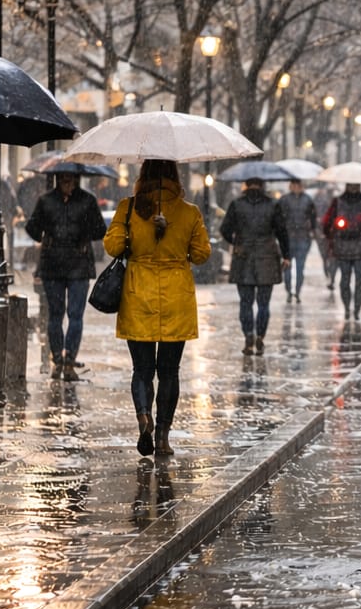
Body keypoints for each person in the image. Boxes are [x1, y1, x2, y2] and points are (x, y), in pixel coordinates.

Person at [104, 160, 211, 457]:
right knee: (169, 372)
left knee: (141, 370)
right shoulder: (189, 212)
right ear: (175, 176)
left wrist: (134, 236)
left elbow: (112, 247)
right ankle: (163, 436)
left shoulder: (129, 208)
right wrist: (178, 245)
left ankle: (143, 417)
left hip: (139, 296)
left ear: (143, 175)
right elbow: (202, 254)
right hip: (177, 298)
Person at [25, 170, 108, 380]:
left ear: (76, 178)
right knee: (56, 314)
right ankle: (58, 360)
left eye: (69, 178)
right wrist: (48, 235)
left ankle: (68, 360)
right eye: (63, 178)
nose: (66, 182)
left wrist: (81, 234)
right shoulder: (47, 201)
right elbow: (32, 228)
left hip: (76, 264)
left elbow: (100, 230)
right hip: (55, 264)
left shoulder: (86, 201)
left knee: (74, 315)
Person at [220, 176, 291, 355]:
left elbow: (225, 229)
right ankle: (260, 335)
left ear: (246, 185)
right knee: (263, 303)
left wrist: (236, 240)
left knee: (245, 302)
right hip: (267, 257)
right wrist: (286, 255)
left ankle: (248, 334)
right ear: (263, 185)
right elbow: (282, 231)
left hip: (243, 257)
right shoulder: (273, 205)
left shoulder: (236, 204)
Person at [322, 182, 361, 320]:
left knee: (358, 282)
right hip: (344, 248)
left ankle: (356, 310)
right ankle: (348, 308)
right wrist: (332, 234)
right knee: (345, 281)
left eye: (356, 185)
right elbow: (327, 223)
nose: (354, 188)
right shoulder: (338, 202)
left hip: (360, 249)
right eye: (351, 185)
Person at [278, 178, 319, 302]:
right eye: (294, 185)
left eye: (298, 185)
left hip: (302, 237)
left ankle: (297, 291)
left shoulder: (308, 200)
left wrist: (312, 230)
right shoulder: (284, 200)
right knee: (287, 266)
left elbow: (313, 217)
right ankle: (289, 290)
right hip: (288, 238)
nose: (296, 187)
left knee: (300, 267)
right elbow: (279, 218)